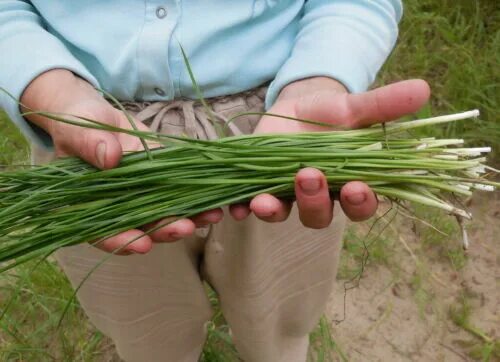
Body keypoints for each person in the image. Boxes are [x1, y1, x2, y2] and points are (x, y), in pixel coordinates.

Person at [0, 1, 430, 361]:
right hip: (98, 146)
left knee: (277, 312)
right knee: (145, 325)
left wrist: (321, 77)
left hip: (280, 132)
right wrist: (50, 92)